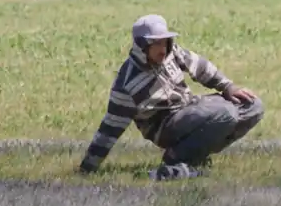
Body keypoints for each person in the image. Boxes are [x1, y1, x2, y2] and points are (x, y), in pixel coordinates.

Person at [77, 14, 264, 181]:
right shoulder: (126, 84)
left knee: (253, 106)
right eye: (156, 43)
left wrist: (228, 87)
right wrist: (86, 169)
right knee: (226, 114)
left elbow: (201, 67)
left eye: (165, 41)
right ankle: (175, 159)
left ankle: (195, 155)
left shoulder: (171, 52)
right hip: (166, 125)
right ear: (142, 45)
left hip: (191, 107)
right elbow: (109, 130)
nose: (162, 48)